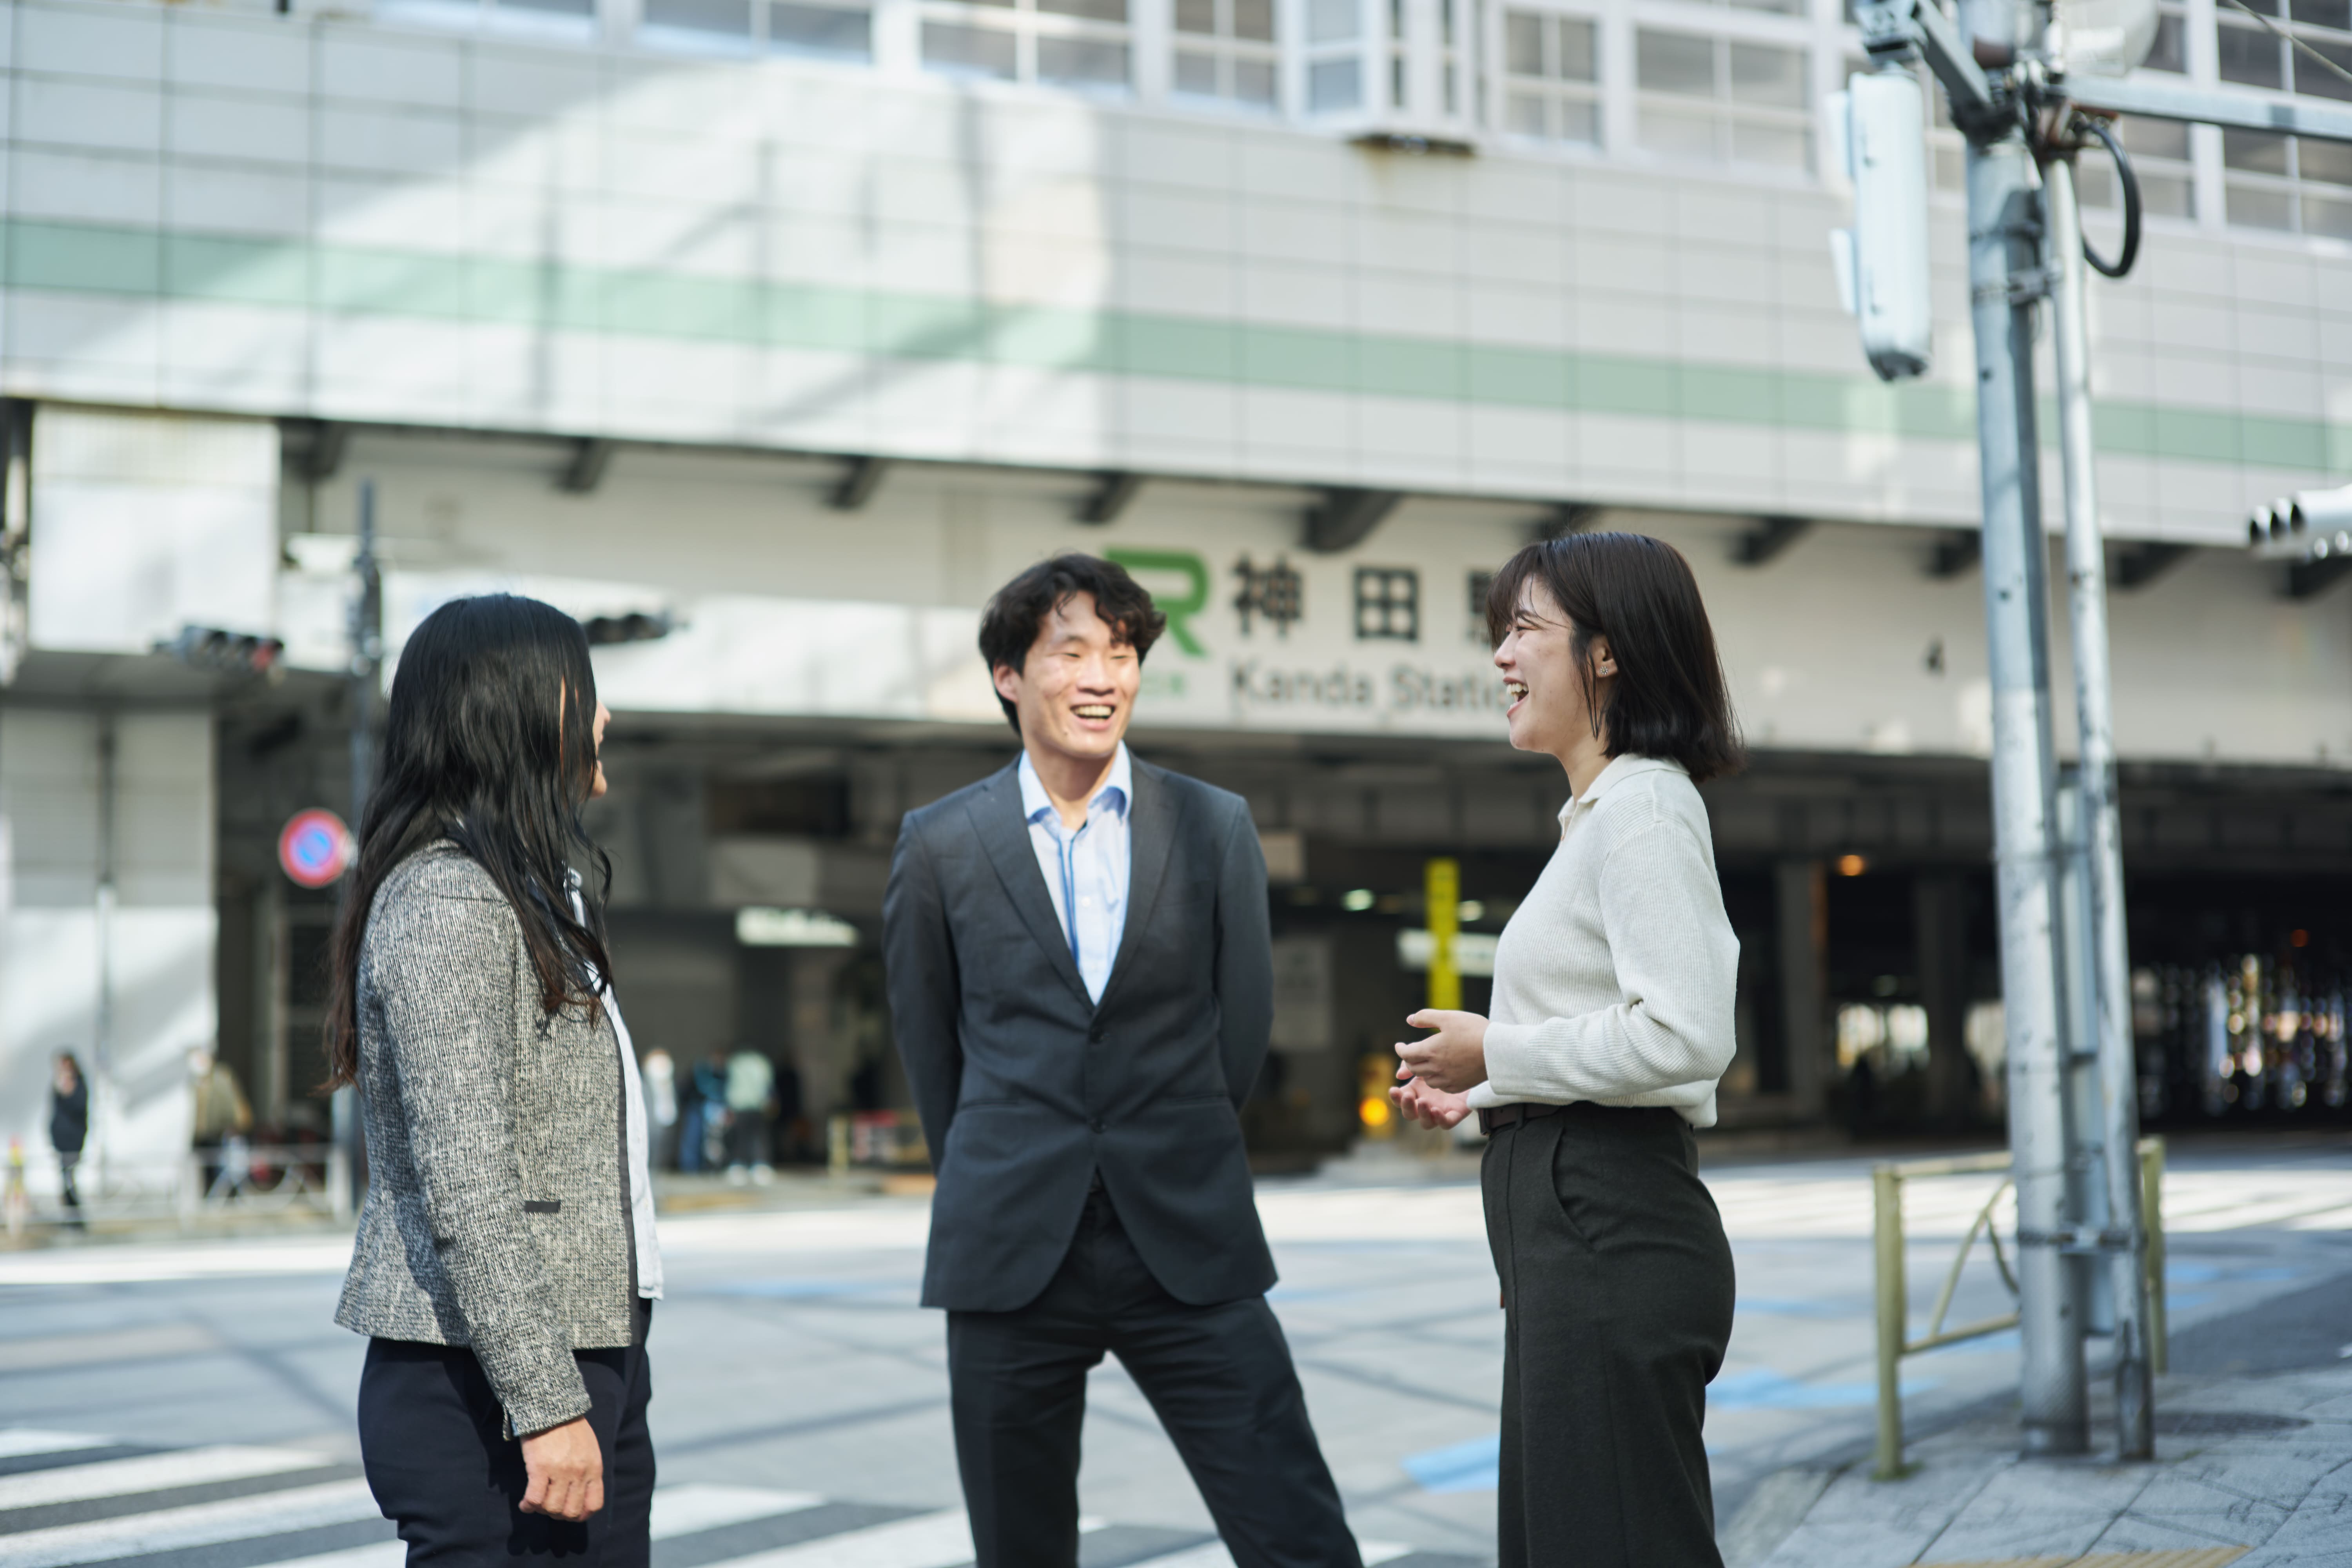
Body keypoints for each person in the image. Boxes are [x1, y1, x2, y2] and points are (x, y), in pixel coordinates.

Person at [884, 554, 1361, 1568]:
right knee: (1020, 1548)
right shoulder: (939, 844)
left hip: (1186, 1235)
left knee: (1296, 1531)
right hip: (1010, 1250)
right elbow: (931, 1049)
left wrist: (1173, 1131)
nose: (1102, 677)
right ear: (1009, 675)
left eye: (1123, 652)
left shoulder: (1213, 824)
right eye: (1072, 652)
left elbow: (1242, 1030)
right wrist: (998, 1161)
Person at [1390, 532, 1744, 1568]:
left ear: (1606, 652)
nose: (1501, 655)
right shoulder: (1598, 816)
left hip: (1610, 1232)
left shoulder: (1643, 808)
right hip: (1577, 1237)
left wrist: (1498, 1051)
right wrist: (1484, 1089)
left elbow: (1685, 1033)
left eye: (1524, 628)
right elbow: (1605, 1035)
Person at [325, 593, 661, 1568]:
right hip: (486, 1380)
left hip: (569, 1349)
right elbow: (468, 1180)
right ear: (515, 707)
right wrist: (547, 1402)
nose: (603, 714)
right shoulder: (450, 900)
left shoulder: (528, 892)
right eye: (583, 689)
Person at [189, 1047, 253, 1200]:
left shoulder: (221, 1077)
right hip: (200, 1135)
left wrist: (234, 1124)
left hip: (219, 1133)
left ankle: (223, 1200)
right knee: (205, 1169)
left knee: (221, 1169)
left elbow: (230, 1106)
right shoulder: (194, 1082)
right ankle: (210, 1199)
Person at [723, 1047, 775, 1184]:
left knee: (741, 1137)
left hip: (739, 1104)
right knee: (758, 1137)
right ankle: (760, 1165)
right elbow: (768, 1084)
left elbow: (730, 1085)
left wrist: (729, 1105)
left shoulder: (736, 1062)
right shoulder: (761, 1062)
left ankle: (740, 1165)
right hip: (757, 1104)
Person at [50, 1053, 87, 1227]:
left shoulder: (79, 1086)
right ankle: (70, 1217)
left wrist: (68, 1092)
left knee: (70, 1180)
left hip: (73, 1142)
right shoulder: (58, 1087)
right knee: (65, 1180)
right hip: (61, 1142)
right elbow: (56, 1114)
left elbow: (79, 1111)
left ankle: (76, 1219)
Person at [642, 1049, 680, 1172]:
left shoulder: (671, 1084)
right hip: (652, 1124)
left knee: (665, 1151)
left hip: (668, 1122)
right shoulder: (645, 1085)